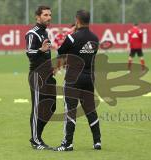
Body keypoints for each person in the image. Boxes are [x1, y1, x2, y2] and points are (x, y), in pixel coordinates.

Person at [54, 10, 101, 151]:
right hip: (89, 78)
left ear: (77, 20)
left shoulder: (72, 38)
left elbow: (60, 53)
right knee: (90, 109)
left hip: (73, 79)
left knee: (70, 110)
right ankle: (97, 142)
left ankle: (68, 143)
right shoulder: (95, 38)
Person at [25, 5, 56, 150]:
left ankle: (37, 136)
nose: (49, 17)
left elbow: (44, 56)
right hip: (37, 76)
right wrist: (40, 49)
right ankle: (36, 140)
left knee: (51, 107)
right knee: (37, 109)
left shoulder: (45, 32)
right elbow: (30, 53)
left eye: (50, 15)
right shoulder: (32, 33)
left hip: (48, 75)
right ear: (38, 17)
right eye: (45, 15)